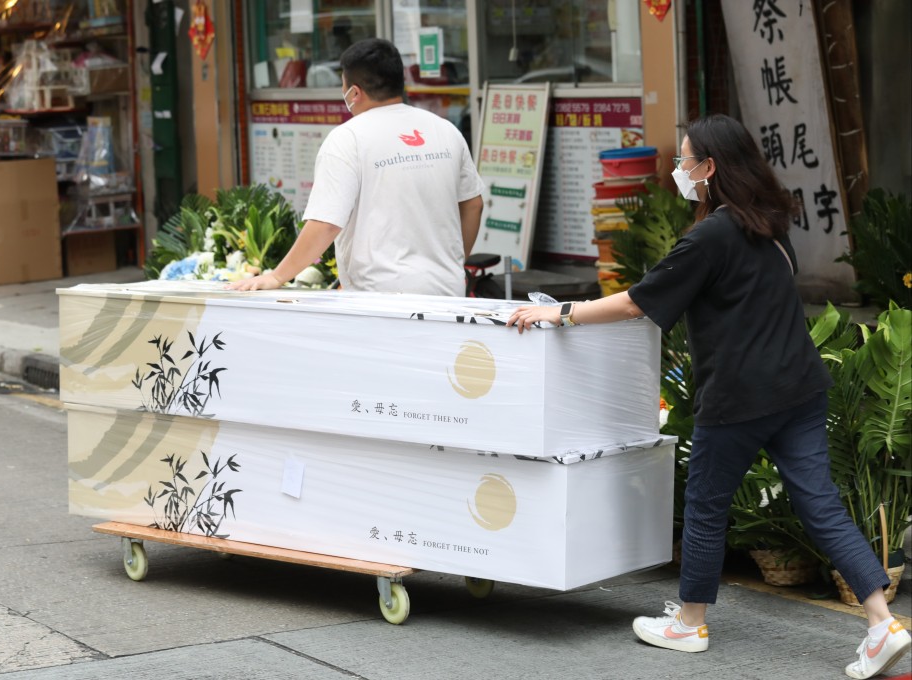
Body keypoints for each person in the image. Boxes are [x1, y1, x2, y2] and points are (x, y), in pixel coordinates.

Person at [506, 114, 910, 680]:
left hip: (741, 397)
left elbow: (636, 303)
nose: (677, 170)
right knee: (820, 505)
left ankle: (690, 622)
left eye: (684, 160)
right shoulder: (768, 222)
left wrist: (560, 311)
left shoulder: (710, 235)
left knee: (706, 505)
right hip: (799, 387)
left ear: (710, 167)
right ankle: (882, 624)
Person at [229, 38, 485, 296]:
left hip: (380, 299)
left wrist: (276, 276)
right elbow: (473, 204)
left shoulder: (347, 138)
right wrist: (451, 262)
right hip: (448, 292)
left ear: (354, 92)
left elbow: (326, 223)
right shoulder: (444, 130)